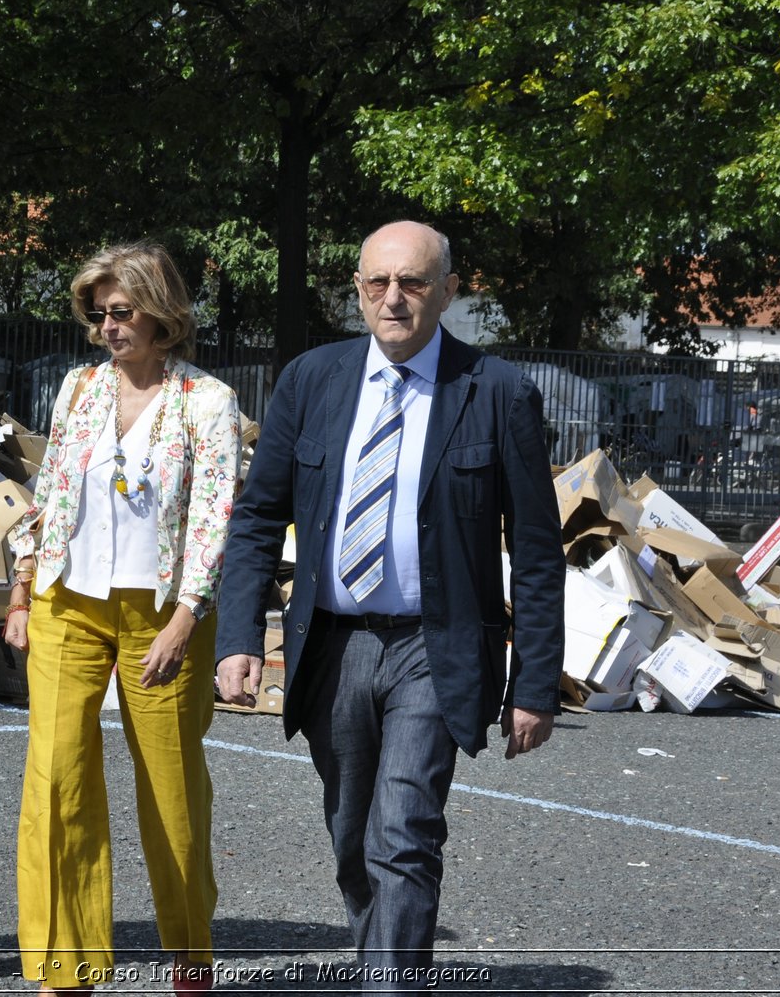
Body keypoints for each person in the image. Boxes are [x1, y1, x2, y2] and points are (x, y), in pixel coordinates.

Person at [215, 221, 564, 993]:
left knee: (404, 829)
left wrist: (534, 683)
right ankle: (386, 965)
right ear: (359, 291)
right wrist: (236, 633)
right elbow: (256, 518)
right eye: (378, 283)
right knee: (353, 838)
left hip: (434, 648)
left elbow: (538, 551)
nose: (393, 298)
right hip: (332, 645)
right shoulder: (312, 380)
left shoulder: (498, 391)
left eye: (412, 283)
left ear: (448, 290)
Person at [4, 242, 241, 994]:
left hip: (162, 611)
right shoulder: (76, 388)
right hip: (66, 602)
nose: (107, 325)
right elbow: (50, 495)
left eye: (121, 310)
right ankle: (63, 972)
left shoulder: (207, 399)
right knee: (56, 779)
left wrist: (184, 619)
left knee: (171, 790)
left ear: (162, 313)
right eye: (97, 312)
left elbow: (214, 519)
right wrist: (21, 585)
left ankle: (190, 957)